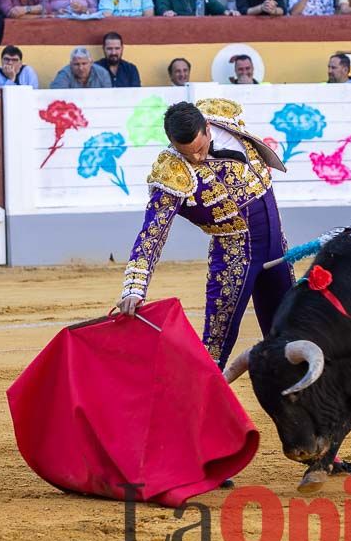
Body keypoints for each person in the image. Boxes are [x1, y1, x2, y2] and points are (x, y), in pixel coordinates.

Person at [118, 99, 293, 369]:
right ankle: (195, 408)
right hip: (235, 258)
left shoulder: (224, 119)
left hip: (277, 249)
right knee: (214, 349)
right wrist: (135, 286)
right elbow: (152, 233)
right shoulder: (173, 172)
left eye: (200, 149)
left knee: (288, 332)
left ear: (208, 128)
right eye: (188, 154)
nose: (197, 158)